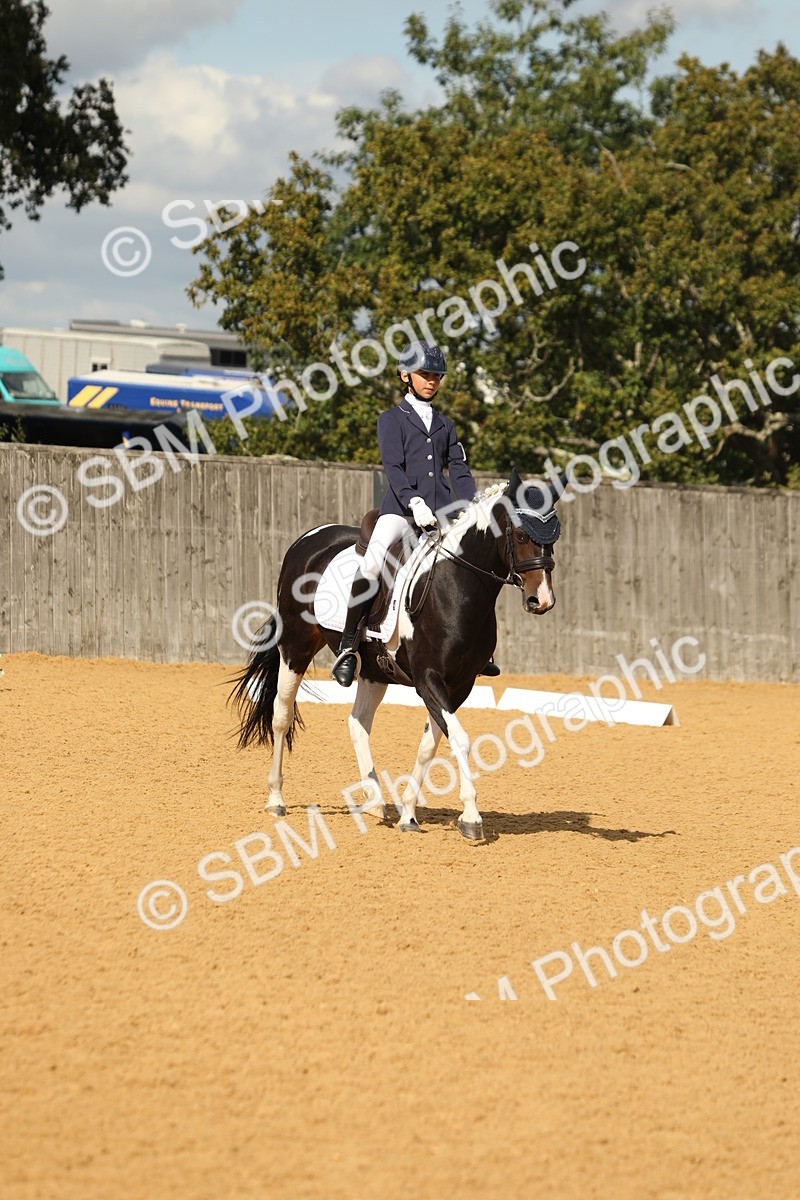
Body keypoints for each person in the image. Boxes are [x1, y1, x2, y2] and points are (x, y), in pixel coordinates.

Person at [331, 339, 501, 686]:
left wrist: (470, 506)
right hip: (400, 511)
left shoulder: (446, 425)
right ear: (405, 375)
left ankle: (479, 648)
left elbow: (459, 469)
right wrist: (413, 500)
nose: (432, 380)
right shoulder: (391, 420)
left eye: (437, 375)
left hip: (441, 513)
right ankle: (348, 646)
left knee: (473, 565)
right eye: (425, 374)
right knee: (373, 563)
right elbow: (393, 467)